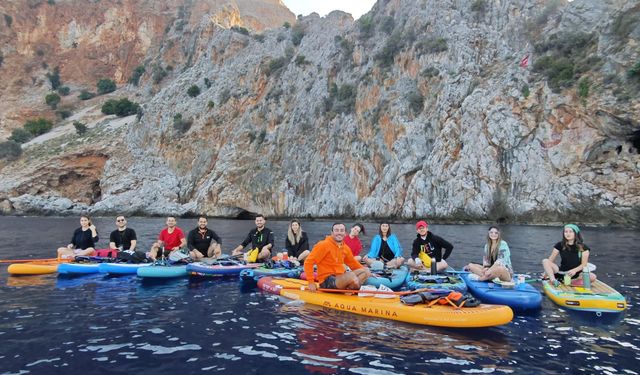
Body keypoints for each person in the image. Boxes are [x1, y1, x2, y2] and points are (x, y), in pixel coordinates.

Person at [304, 223, 371, 292]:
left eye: (341, 230)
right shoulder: (323, 245)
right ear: (332, 233)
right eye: (336, 230)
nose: (339, 233)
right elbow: (308, 262)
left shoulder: (345, 248)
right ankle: (354, 288)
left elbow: (353, 264)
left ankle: (351, 288)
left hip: (340, 277)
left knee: (366, 271)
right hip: (326, 281)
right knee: (351, 276)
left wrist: (369, 273)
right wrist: (311, 282)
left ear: (345, 233)